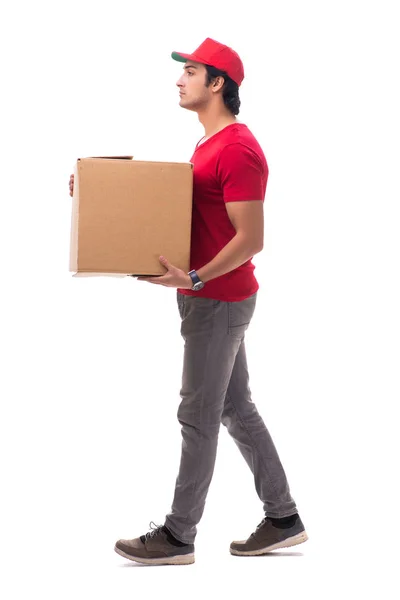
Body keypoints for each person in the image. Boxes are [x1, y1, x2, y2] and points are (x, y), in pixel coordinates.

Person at [69, 37, 308, 566]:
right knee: (233, 406)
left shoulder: (238, 148)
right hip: (208, 296)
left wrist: (196, 278)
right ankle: (284, 517)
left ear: (217, 82)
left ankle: (178, 536)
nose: (180, 80)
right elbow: (173, 206)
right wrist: (94, 190)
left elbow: (250, 238)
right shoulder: (207, 146)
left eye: (192, 72)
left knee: (197, 412)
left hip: (218, 298)